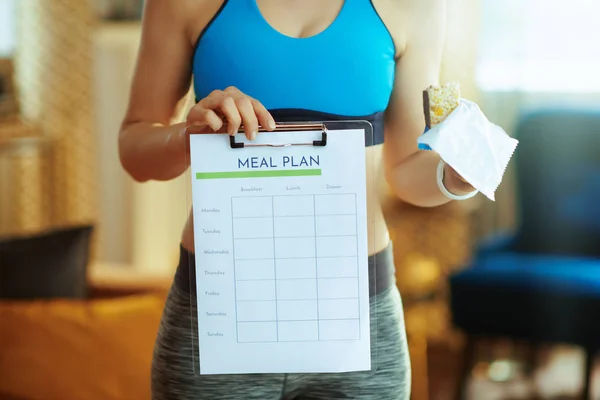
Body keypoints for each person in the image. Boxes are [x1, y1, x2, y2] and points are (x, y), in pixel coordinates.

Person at [118, 0, 477, 398]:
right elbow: (135, 146)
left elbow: (409, 169)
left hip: (358, 314)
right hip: (219, 310)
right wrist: (187, 137)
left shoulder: (416, 6)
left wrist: (455, 175)